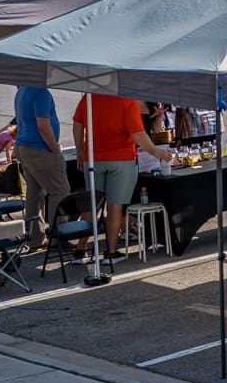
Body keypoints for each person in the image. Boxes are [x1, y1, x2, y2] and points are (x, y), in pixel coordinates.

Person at [72, 94, 172, 259]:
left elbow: (77, 125)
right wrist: (157, 152)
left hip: (93, 159)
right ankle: (110, 251)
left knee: (92, 204)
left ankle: (80, 248)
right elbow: (138, 134)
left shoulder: (89, 98)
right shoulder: (127, 101)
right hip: (122, 159)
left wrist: (80, 151)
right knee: (115, 206)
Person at [12, 85, 68, 250]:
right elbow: (43, 125)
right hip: (39, 148)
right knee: (60, 190)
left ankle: (34, 238)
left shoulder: (22, 89)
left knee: (35, 193)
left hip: (25, 146)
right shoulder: (40, 92)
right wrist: (55, 149)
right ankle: (58, 237)